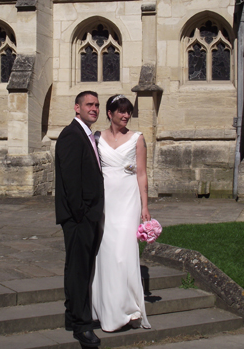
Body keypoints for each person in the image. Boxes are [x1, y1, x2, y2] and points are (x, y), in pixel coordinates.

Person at [91, 94, 151, 332]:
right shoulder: (96, 138)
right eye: (121, 112)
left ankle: (127, 308)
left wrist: (145, 206)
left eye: (129, 112)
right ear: (110, 113)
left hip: (128, 200)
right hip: (105, 200)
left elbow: (142, 173)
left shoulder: (138, 138)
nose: (126, 116)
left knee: (122, 253)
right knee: (105, 252)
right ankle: (105, 308)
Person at [55, 91, 104, 347]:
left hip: (85, 216)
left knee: (77, 269)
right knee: (79, 270)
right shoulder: (71, 135)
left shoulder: (86, 134)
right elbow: (71, 180)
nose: (94, 108)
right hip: (78, 218)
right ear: (77, 107)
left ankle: (72, 317)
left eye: (97, 104)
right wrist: (82, 212)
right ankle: (83, 328)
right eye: (89, 104)